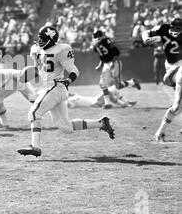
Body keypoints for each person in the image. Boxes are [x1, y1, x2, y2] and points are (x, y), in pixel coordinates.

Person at [17, 24, 115, 157]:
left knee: (34, 113)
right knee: (66, 127)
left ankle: (35, 147)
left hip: (56, 87)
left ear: (51, 40)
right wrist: (27, 73)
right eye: (39, 38)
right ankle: (101, 123)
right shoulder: (35, 49)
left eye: (43, 38)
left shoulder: (62, 49)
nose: (39, 41)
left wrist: (68, 80)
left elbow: (74, 70)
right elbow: (38, 69)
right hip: (50, 88)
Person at [142, 18, 182, 141]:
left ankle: (159, 132)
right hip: (172, 68)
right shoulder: (163, 28)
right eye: (173, 28)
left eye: (178, 29)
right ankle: (176, 100)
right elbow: (146, 32)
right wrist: (145, 39)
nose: (174, 31)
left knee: (177, 109)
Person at [93, 30, 141, 109]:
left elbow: (116, 52)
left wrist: (112, 62)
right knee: (102, 84)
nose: (96, 38)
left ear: (100, 36)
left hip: (115, 62)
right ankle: (107, 104)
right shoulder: (96, 47)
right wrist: (100, 65)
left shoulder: (106, 41)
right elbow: (102, 57)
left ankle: (132, 82)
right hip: (106, 64)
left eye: (97, 36)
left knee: (117, 86)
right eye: (95, 37)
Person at [67, 85, 137, 108]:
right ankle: (125, 104)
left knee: (113, 88)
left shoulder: (74, 96)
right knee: (107, 91)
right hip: (95, 103)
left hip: (95, 99)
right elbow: (66, 105)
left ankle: (126, 102)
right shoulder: (70, 101)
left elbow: (70, 93)